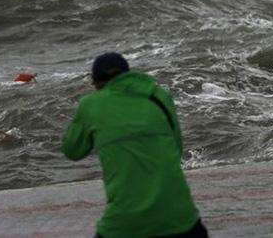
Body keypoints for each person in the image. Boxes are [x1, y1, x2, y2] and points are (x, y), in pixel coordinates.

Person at [61, 52, 208, 238]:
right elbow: (176, 147)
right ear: (127, 74)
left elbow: (72, 150)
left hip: (126, 221)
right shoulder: (159, 96)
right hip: (180, 217)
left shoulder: (91, 104)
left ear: (97, 83)